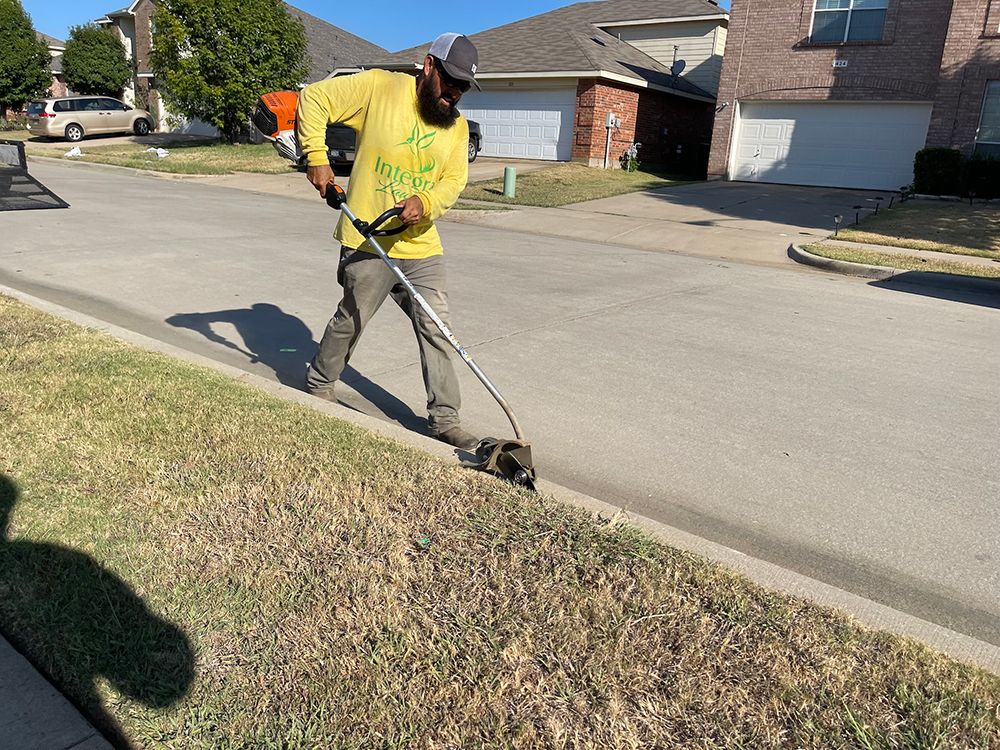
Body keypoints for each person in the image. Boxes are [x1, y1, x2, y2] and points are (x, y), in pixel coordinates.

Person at [297, 33, 483, 451]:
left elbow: (454, 180)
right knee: (354, 317)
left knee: (438, 328)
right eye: (450, 80)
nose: (454, 93)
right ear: (429, 66)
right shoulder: (380, 88)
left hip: (421, 245)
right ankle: (319, 383)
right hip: (369, 237)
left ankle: (445, 420)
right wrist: (317, 156)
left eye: (463, 87)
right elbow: (312, 99)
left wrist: (426, 201)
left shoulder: (454, 128)